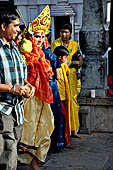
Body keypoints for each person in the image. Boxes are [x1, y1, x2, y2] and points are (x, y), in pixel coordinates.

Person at [18, 5, 54, 170]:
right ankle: (27, 162)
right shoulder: (23, 53)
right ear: (30, 36)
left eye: (42, 36)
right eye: (36, 36)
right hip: (28, 97)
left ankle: (35, 162)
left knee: (47, 127)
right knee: (29, 128)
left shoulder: (42, 55)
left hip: (43, 97)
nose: (39, 39)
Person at [0, 9, 34, 170]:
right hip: (3, 109)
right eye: (15, 26)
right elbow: (12, 85)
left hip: (18, 109)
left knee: (12, 148)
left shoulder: (15, 49)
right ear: (3, 27)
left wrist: (28, 86)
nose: (19, 30)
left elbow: (20, 77)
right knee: (9, 150)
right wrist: (12, 89)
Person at [51, 22, 83, 138]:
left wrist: (71, 63)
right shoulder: (55, 43)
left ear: (70, 33)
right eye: (62, 32)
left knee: (73, 101)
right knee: (62, 103)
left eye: (66, 32)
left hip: (72, 76)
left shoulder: (75, 45)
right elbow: (53, 59)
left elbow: (80, 62)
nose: (64, 34)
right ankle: (64, 132)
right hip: (60, 76)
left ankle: (74, 130)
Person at [53, 45, 73, 148]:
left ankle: (65, 140)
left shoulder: (63, 66)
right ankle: (63, 141)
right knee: (62, 119)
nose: (66, 59)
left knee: (65, 119)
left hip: (64, 96)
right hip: (57, 97)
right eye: (65, 57)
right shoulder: (55, 66)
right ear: (60, 57)